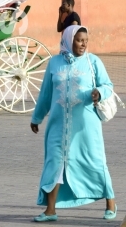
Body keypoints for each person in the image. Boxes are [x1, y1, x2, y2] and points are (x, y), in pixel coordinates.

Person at [30, 25, 117, 222]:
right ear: (69, 41)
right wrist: (36, 118)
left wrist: (99, 92)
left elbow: (108, 85)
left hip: (86, 127)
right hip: (57, 127)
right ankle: (50, 210)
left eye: (86, 40)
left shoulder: (93, 61)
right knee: (55, 163)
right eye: (79, 40)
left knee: (95, 162)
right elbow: (45, 94)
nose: (83, 44)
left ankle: (111, 203)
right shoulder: (54, 63)